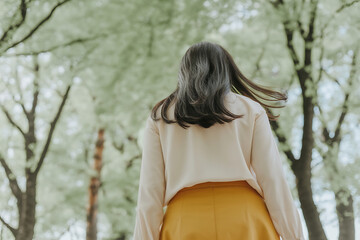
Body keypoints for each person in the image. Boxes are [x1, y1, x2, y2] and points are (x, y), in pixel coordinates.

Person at [132, 41, 305, 240]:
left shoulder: (161, 116)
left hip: (184, 223)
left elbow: (149, 195)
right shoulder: (251, 109)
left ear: (184, 72)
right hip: (246, 219)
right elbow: (273, 180)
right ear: (226, 70)